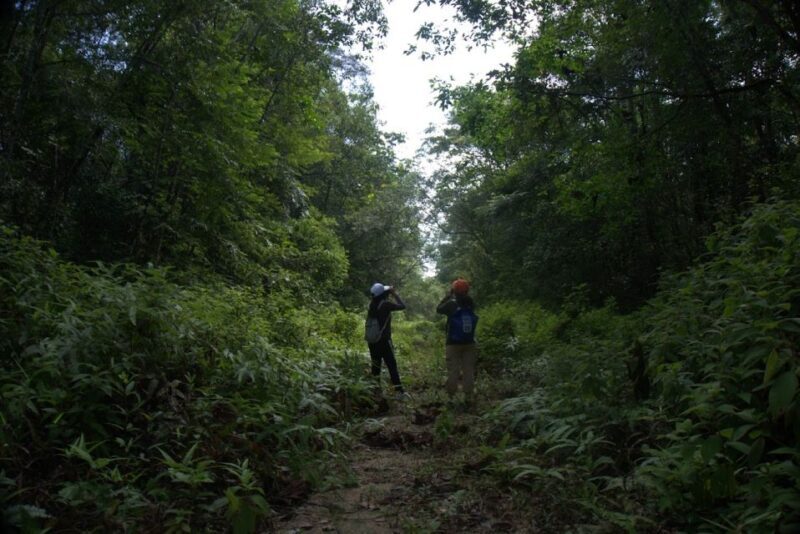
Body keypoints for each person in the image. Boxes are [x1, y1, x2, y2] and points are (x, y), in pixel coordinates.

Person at [436, 278, 478, 405]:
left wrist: (448, 296)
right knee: (468, 370)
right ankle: (468, 398)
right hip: (469, 342)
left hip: (453, 342)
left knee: (453, 370)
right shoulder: (470, 302)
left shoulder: (451, 304)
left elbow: (438, 309)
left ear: (454, 290)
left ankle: (450, 399)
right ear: (467, 291)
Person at [366, 282, 410, 400]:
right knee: (392, 366)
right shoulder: (385, 304)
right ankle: (399, 392)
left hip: (372, 341)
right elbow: (402, 306)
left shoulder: (372, 304)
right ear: (384, 294)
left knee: (376, 367)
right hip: (384, 341)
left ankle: (376, 393)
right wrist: (394, 294)